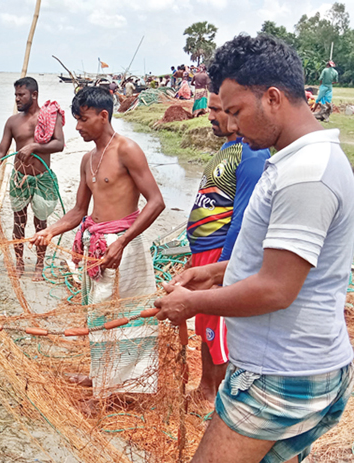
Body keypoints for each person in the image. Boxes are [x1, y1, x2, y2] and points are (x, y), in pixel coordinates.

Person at [156, 34, 354, 463]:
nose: (230, 126)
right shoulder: (297, 159)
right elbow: (286, 264)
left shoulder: (306, 174)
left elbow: (276, 289)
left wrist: (193, 303)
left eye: (236, 112)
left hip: (279, 375)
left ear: (273, 97)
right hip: (295, 364)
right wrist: (214, 271)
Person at [30, 86, 165, 396]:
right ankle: (100, 376)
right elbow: (79, 210)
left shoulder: (127, 149)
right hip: (97, 247)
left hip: (124, 248)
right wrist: (51, 231)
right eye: (76, 118)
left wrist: (123, 241)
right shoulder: (88, 160)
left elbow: (156, 202)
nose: (77, 126)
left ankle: (122, 387)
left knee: (126, 317)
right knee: (97, 314)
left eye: (83, 119)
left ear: (104, 116)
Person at [186, 89, 270, 404]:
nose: (209, 116)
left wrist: (221, 266)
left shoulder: (252, 154)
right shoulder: (229, 148)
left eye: (217, 110)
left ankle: (213, 395)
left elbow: (244, 217)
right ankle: (205, 387)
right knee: (206, 320)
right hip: (204, 251)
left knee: (217, 323)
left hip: (220, 253)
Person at [0, 77, 64, 281]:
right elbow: (1, 150)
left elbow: (59, 144)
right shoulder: (13, 122)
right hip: (20, 178)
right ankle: (19, 262)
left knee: (41, 223)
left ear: (34, 95)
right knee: (18, 222)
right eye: (15, 95)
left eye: (21, 95)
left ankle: (39, 264)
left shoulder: (49, 116)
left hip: (42, 179)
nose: (17, 99)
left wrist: (35, 146)